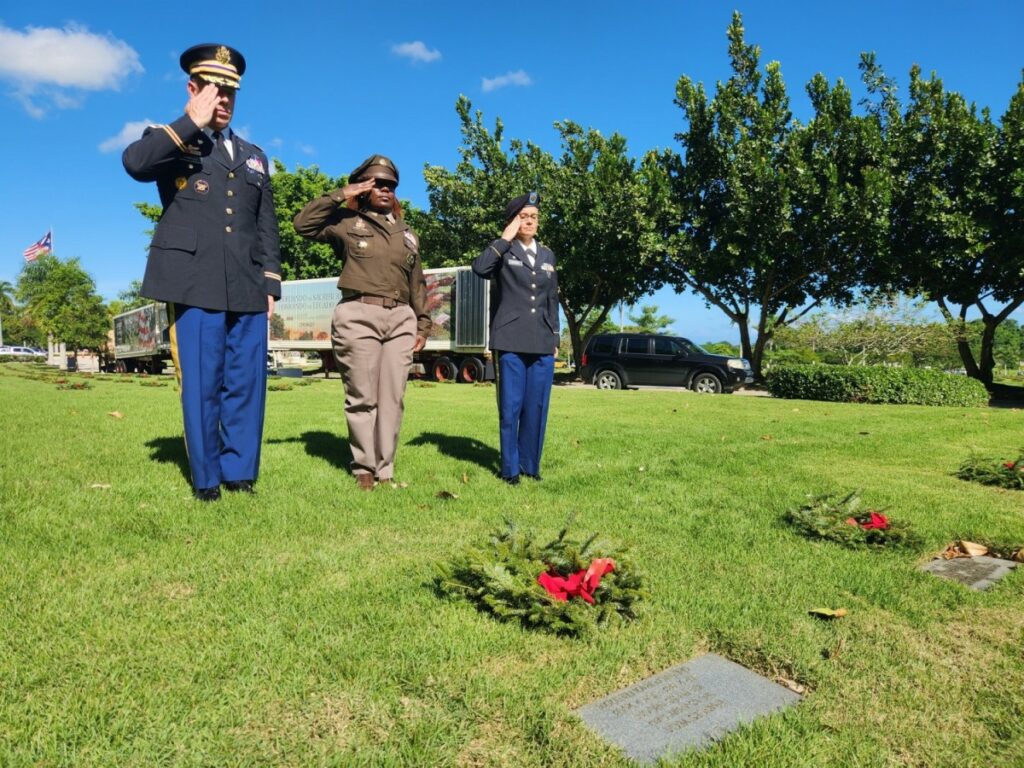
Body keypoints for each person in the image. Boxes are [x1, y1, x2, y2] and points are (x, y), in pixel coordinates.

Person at [123, 44, 281, 502]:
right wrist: (190, 121)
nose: (224, 99)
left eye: (230, 90)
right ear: (193, 88)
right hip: (193, 280)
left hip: (248, 283)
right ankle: (207, 479)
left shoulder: (255, 156)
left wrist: (270, 280)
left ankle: (240, 473)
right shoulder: (169, 137)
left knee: (246, 383)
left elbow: (264, 223)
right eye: (214, 88)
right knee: (201, 381)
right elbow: (135, 164)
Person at [293, 156, 430, 490]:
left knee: (392, 398)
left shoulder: (408, 234)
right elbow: (302, 225)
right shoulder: (346, 221)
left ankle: (386, 470)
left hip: (400, 318)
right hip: (359, 314)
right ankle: (363, 469)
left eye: (390, 185)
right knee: (362, 396)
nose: (385, 189)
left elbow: (417, 284)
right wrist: (342, 192)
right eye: (377, 183)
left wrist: (423, 325)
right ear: (365, 186)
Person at [472, 192, 559, 485]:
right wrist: (503, 240)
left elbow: (551, 299)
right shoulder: (504, 251)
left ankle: (530, 466)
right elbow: (479, 268)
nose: (530, 221)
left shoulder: (548, 255)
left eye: (534, 217)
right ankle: (510, 470)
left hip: (542, 341)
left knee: (537, 406)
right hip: (509, 338)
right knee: (511, 406)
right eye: (523, 216)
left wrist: (555, 336)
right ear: (513, 221)